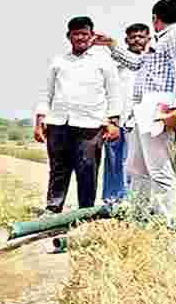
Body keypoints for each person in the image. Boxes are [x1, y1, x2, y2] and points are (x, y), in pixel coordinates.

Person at [103, 0, 176, 223]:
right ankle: (138, 217)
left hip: (160, 109)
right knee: (136, 167)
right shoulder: (160, 40)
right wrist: (112, 45)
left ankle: (164, 222)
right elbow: (137, 64)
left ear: (156, 18)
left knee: (159, 169)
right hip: (143, 110)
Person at [35, 16, 123, 213]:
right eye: (76, 34)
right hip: (59, 122)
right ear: (69, 36)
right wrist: (40, 119)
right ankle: (53, 209)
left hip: (91, 125)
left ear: (92, 36)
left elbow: (114, 93)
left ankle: (85, 212)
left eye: (85, 33)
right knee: (58, 168)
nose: (81, 38)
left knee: (87, 169)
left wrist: (114, 122)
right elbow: (46, 92)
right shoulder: (58, 61)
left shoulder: (104, 62)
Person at [100, 23, 149, 205]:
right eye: (133, 37)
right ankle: (112, 202)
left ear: (148, 39)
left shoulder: (152, 61)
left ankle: (134, 202)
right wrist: (108, 119)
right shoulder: (114, 64)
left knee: (137, 164)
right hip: (117, 119)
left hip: (142, 121)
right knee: (114, 160)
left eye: (141, 36)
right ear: (126, 40)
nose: (137, 40)